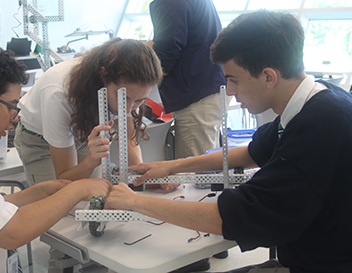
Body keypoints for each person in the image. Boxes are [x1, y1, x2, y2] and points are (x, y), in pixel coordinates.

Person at [106, 10, 352, 273]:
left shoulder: (318, 127)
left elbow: (242, 216)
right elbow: (250, 153)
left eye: (233, 80)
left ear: (269, 77)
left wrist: (134, 202)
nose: (230, 92)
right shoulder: (320, 98)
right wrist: (172, 166)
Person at [0, 40, 111, 272]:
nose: (15, 116)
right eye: (11, 105)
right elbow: (11, 232)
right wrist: (79, 188)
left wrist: (34, 194)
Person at [14, 38, 163, 186]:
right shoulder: (59, 94)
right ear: (103, 76)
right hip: (39, 139)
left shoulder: (130, 88)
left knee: (96, 191)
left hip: (83, 127)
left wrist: (142, 176)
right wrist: (90, 162)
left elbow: (129, 142)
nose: (128, 109)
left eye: (139, 100)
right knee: (56, 197)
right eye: (124, 98)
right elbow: (65, 180)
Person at [147, 0, 227, 159]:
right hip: (208, 86)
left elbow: (164, 58)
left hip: (196, 94)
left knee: (195, 174)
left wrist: (145, 50)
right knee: (209, 165)